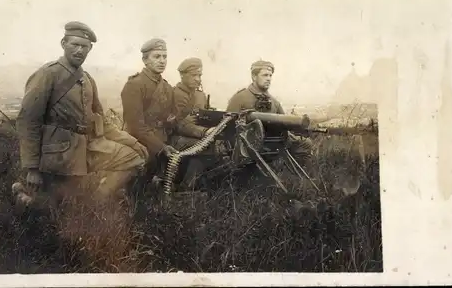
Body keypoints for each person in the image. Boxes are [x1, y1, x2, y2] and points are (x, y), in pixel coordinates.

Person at [14, 21, 148, 207]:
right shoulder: (48, 74)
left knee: (132, 158)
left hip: (86, 149)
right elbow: (28, 121)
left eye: (84, 47)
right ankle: (25, 196)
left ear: (90, 49)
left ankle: (95, 202)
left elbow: (101, 121)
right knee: (54, 209)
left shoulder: (87, 79)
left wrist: (133, 142)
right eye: (74, 45)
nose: (79, 51)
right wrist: (32, 168)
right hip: (57, 155)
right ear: (63, 44)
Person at [120, 40, 214, 192]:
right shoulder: (135, 85)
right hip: (139, 142)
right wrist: (161, 147)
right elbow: (135, 127)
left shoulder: (167, 88)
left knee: (203, 148)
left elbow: (174, 122)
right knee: (136, 188)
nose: (162, 61)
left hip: (163, 139)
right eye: (157, 57)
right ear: (145, 60)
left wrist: (203, 132)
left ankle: (183, 191)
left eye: (164, 57)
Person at [226, 60, 314, 171]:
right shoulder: (240, 98)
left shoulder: (274, 102)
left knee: (305, 144)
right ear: (254, 76)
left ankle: (292, 176)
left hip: (272, 143)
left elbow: (283, 122)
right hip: (247, 145)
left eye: (270, 75)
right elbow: (227, 127)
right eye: (265, 75)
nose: (268, 78)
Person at [169, 58, 218, 190]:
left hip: (195, 136)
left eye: (200, 75)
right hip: (175, 138)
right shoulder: (174, 94)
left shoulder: (200, 95)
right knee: (208, 148)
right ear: (182, 75)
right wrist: (203, 132)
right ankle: (186, 188)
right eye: (194, 75)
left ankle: (195, 185)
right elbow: (177, 124)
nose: (197, 79)